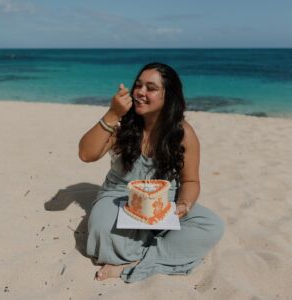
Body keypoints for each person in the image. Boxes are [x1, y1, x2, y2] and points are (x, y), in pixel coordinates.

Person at [78, 62, 225, 283]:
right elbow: (86, 154)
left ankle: (136, 260)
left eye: (151, 88)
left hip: (163, 201)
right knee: (101, 226)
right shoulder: (122, 125)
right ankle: (158, 255)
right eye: (138, 86)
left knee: (211, 226)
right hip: (119, 196)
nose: (140, 93)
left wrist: (184, 205)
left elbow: (191, 180)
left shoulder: (182, 133)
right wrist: (112, 113)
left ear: (169, 96)